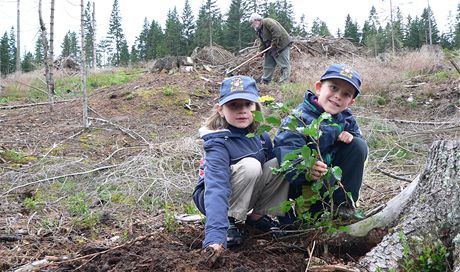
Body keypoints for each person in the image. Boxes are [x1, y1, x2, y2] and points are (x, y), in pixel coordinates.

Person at [192, 75, 289, 252]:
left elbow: (271, 179)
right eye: (234, 105)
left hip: (243, 193)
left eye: (247, 104)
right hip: (212, 198)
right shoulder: (217, 142)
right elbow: (216, 187)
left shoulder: (261, 136)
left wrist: (289, 222)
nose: (242, 110)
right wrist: (215, 236)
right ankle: (228, 222)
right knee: (251, 166)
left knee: (280, 164)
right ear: (220, 109)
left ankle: (257, 217)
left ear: (256, 107)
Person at [273, 64, 368, 224]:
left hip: (333, 183)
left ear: (351, 102)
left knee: (358, 145)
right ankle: (305, 217)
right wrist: (305, 168)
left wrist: (350, 136)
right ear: (318, 88)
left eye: (345, 94)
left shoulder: (346, 118)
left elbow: (360, 149)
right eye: (333, 88)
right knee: (308, 224)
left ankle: (344, 207)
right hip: (303, 189)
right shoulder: (299, 118)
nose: (338, 96)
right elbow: (286, 154)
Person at [249, 13, 292, 84]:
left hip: (281, 45)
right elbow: (262, 42)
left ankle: (284, 82)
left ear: (256, 20)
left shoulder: (267, 22)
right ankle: (265, 82)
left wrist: (274, 44)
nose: (252, 25)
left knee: (284, 65)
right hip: (271, 48)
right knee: (268, 65)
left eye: (252, 23)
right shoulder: (259, 30)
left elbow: (277, 31)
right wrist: (260, 52)